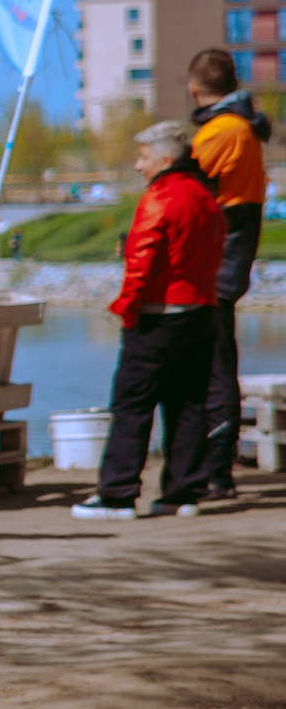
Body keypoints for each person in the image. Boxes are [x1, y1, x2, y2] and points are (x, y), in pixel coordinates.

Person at [74, 120, 224, 520]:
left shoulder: (161, 198)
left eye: (143, 157)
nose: (139, 165)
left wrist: (126, 305)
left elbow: (141, 259)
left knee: (132, 402)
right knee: (189, 401)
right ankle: (183, 491)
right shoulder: (206, 196)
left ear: (166, 159)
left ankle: (117, 493)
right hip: (201, 309)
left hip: (159, 313)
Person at [185, 50, 270, 501]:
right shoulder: (246, 131)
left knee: (211, 367)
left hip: (214, 267)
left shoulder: (222, 133)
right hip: (230, 262)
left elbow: (186, 191)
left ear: (194, 89)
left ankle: (214, 469)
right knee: (218, 363)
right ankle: (215, 466)